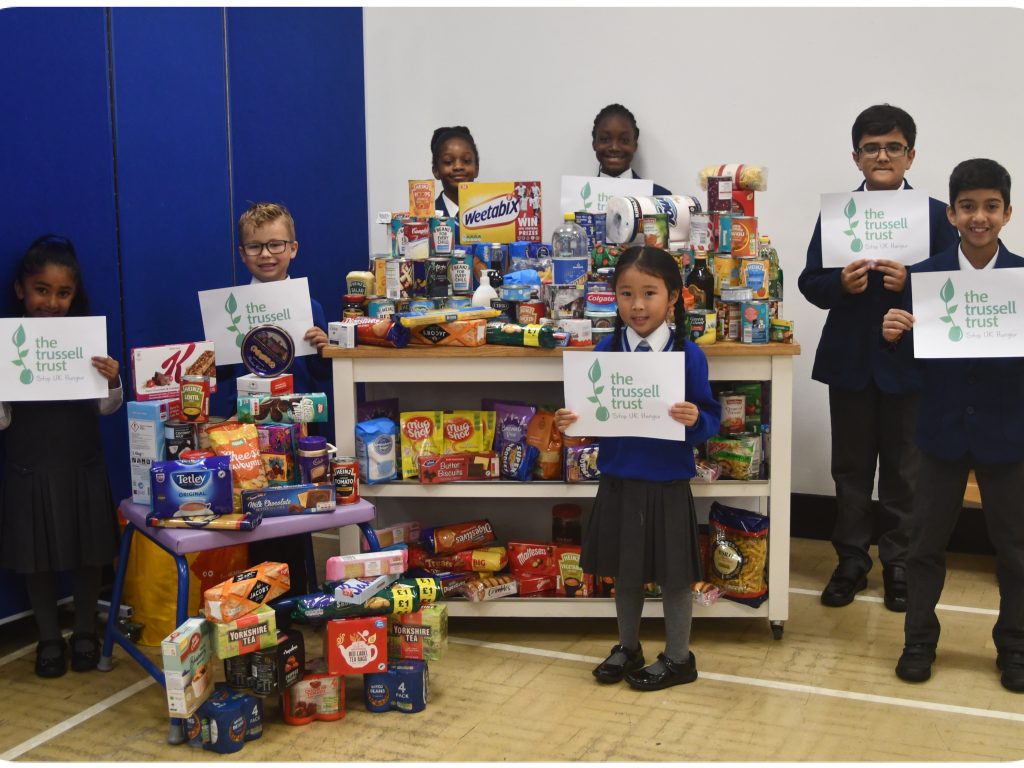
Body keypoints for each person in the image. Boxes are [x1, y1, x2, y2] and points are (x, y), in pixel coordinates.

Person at [798, 104, 958, 612]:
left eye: (893, 147)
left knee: (905, 471)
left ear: (911, 155)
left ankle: (900, 564)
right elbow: (810, 282)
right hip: (849, 362)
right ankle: (850, 561)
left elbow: (955, 289)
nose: (882, 155)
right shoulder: (838, 214)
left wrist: (913, 283)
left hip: (910, 366)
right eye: (872, 148)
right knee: (849, 469)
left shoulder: (936, 215)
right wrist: (840, 283)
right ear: (856, 157)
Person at [882, 158, 1024, 692]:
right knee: (924, 546)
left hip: (1009, 434)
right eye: (968, 207)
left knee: (1015, 548)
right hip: (939, 433)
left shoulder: (1022, 279)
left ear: (1007, 213)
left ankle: (1015, 644)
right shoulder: (924, 277)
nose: (979, 217)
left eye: (990, 206)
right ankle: (919, 639)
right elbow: (906, 369)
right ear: (952, 213)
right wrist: (893, 336)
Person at [554, 246, 720, 691]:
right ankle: (628, 646)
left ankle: (680, 657)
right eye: (626, 293)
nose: (638, 305)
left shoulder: (689, 356)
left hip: (666, 481)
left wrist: (695, 421)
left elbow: (710, 418)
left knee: (675, 576)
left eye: (650, 293)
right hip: (620, 478)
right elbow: (588, 417)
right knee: (625, 571)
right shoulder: (603, 352)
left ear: (674, 298)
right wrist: (567, 422)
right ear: (614, 298)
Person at [0, 235, 123, 678]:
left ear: (75, 295)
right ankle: (49, 638)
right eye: (41, 290)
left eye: (63, 293)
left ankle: (86, 631)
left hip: (81, 463)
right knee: (36, 557)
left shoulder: (84, 341)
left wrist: (111, 381)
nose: (52, 302)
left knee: (89, 552)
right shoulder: (8, 346)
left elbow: (107, 409)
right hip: (28, 467)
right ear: (21, 290)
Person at [223, 202, 332, 597]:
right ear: (242, 253)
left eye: (275, 245)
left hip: (297, 432)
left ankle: (302, 595)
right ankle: (258, 599)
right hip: (248, 434)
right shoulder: (228, 310)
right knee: (256, 515)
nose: (265, 255)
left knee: (296, 517)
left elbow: (321, 379)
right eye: (254, 247)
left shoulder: (311, 308)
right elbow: (220, 379)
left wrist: (324, 351)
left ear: (294, 248)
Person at [591, 104, 671, 196]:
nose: (614, 148)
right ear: (594, 143)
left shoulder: (661, 198)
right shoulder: (576, 199)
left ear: (635, 145)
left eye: (624, 140)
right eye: (605, 139)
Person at [430, 126, 480, 218]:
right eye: (448, 161)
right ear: (436, 170)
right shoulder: (426, 218)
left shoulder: (493, 214)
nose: (458, 167)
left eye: (466, 160)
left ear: (477, 168)